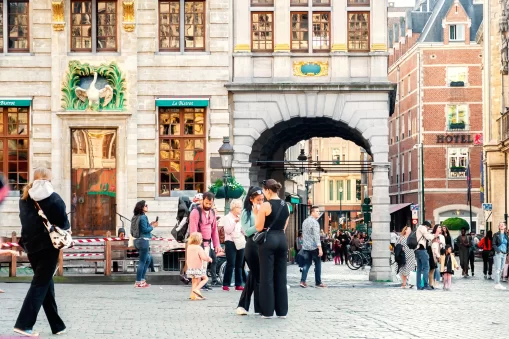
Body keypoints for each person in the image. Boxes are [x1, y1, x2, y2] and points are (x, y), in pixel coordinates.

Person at [13, 168, 68, 337]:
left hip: (31, 247)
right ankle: (24, 324)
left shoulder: (25, 198)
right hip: (48, 247)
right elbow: (64, 223)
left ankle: (57, 325)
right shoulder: (54, 199)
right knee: (40, 284)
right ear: (48, 180)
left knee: (45, 282)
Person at [255, 179, 290, 319]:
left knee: (266, 276)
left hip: (268, 240)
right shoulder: (286, 205)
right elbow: (285, 226)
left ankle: (268, 311)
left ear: (268, 190)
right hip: (282, 239)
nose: (263, 193)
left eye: (264, 190)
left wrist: (256, 213)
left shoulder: (265, 205)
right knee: (281, 276)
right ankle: (282, 311)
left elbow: (258, 227)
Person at [237, 186, 264, 316]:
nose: (260, 202)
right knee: (257, 276)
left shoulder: (264, 209)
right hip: (251, 244)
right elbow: (247, 231)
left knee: (254, 276)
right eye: (258, 199)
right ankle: (256, 307)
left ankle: (245, 306)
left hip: (262, 245)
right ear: (251, 199)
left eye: (262, 199)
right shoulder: (246, 212)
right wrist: (258, 224)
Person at [189, 191, 223, 291]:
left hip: (208, 243)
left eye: (210, 203)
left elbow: (214, 230)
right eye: (206, 203)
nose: (208, 205)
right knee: (198, 266)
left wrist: (217, 245)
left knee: (204, 265)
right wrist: (196, 246)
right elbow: (193, 230)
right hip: (198, 243)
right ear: (202, 200)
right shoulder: (195, 212)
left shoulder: (212, 212)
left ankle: (201, 285)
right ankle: (197, 286)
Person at [132, 200, 158, 288]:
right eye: (145, 205)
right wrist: (153, 226)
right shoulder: (143, 217)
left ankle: (142, 280)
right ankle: (138, 282)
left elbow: (139, 229)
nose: (147, 206)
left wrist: (150, 225)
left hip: (137, 240)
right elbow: (145, 230)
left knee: (148, 259)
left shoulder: (135, 217)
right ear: (142, 207)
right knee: (142, 261)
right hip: (143, 240)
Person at [300, 206, 326, 288]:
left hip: (306, 247)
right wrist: (320, 248)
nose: (318, 213)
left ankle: (302, 281)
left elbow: (304, 234)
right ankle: (318, 282)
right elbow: (316, 236)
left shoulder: (305, 221)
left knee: (307, 264)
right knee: (318, 264)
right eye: (317, 211)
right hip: (314, 247)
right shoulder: (315, 223)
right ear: (312, 212)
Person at [222, 199, 245, 291]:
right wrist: (235, 222)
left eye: (240, 207)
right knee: (231, 263)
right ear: (233, 208)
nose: (240, 209)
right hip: (230, 242)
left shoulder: (240, 218)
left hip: (240, 241)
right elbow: (227, 231)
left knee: (240, 264)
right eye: (239, 207)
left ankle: (238, 284)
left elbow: (243, 231)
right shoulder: (227, 217)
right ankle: (226, 284)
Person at [186, 232, 212, 300]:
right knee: (205, 278)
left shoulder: (189, 247)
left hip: (190, 268)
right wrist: (209, 259)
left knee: (194, 282)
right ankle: (197, 289)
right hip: (197, 268)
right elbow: (203, 257)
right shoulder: (198, 247)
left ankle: (193, 296)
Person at [415, 223, 436, 290]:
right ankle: (426, 285)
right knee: (426, 267)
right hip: (422, 250)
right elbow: (428, 237)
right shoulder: (423, 228)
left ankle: (418, 286)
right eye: (428, 228)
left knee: (419, 269)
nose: (428, 229)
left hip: (417, 250)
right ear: (426, 226)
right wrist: (434, 235)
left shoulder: (418, 228)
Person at [493, 222, 508, 290]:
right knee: (498, 269)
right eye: (500, 225)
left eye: (503, 225)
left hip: (504, 253)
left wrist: (507, 252)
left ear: (505, 227)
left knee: (501, 269)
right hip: (499, 253)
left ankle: (498, 283)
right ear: (499, 227)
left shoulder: (506, 235)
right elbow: (493, 244)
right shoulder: (496, 235)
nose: (501, 226)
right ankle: (497, 283)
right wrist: (498, 251)